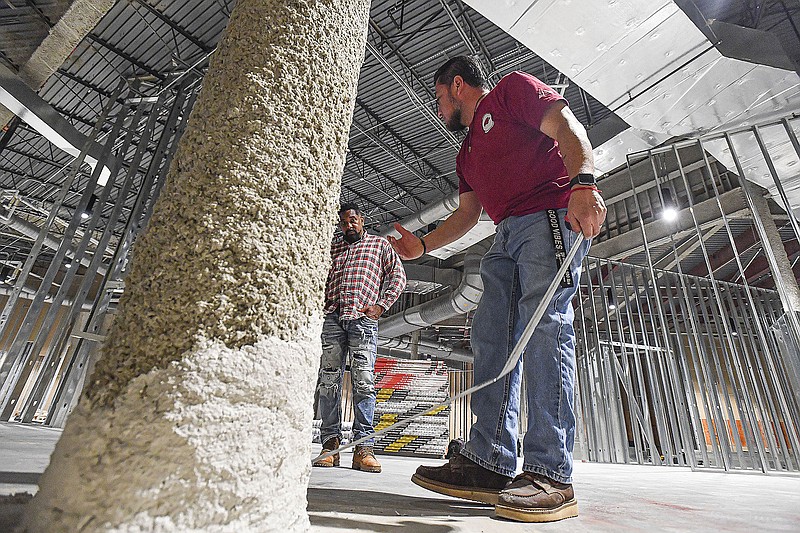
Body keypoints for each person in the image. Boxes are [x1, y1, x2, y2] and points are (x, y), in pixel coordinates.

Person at [388, 56, 606, 522]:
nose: (437, 105)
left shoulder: (511, 91)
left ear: (458, 85)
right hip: (505, 233)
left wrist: (584, 182)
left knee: (545, 329)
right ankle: (491, 460)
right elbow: (467, 216)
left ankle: (552, 473)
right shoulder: (466, 153)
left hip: (548, 214)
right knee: (491, 340)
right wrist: (421, 245)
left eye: (438, 95)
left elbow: (568, 129)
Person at [313, 202, 406, 473]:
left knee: (364, 382)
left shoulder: (379, 246)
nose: (348, 225)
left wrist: (381, 306)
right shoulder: (333, 247)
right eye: (344, 222)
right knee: (328, 381)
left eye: (353, 220)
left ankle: (364, 448)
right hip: (332, 319)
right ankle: (330, 445)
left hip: (363, 321)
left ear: (362, 221)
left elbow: (398, 277)